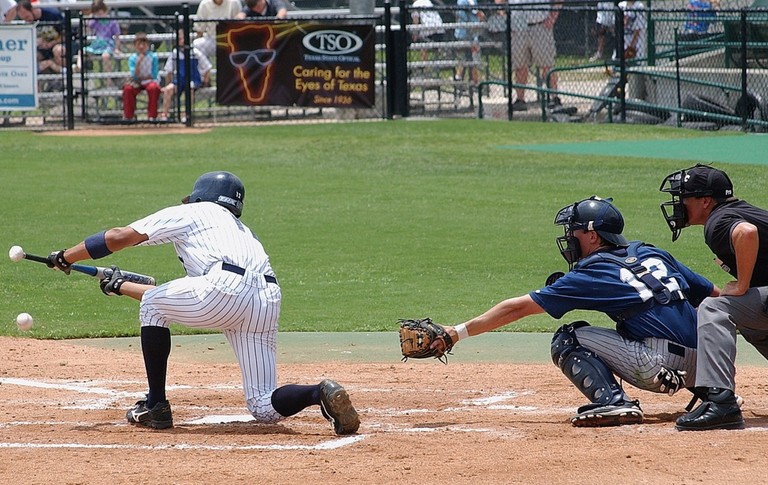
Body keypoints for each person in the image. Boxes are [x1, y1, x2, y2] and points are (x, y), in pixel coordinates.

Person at [45, 171, 361, 435]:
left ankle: (156, 405)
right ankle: (317, 392)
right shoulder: (239, 231)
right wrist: (122, 287)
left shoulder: (192, 211)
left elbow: (117, 237)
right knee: (263, 407)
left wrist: (65, 256)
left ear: (201, 195)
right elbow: (198, 294)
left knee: (154, 306)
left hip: (223, 290)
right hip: (266, 300)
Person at [429, 196, 718, 427]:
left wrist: (456, 332)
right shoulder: (652, 253)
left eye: (574, 231)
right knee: (643, 319)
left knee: (569, 337)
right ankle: (715, 396)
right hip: (707, 368)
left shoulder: (594, 270)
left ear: (592, 235)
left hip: (657, 367)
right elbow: (714, 297)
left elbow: (517, 309)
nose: (569, 238)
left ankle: (615, 401)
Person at [659, 164, 768, 431]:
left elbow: (746, 233)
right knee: (752, 324)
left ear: (705, 201)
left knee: (715, 308)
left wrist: (742, 285)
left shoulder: (718, 222)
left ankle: (721, 403)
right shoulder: (742, 210)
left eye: (684, 197)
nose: (679, 203)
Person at [506, 0, 561, 111]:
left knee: (547, 65)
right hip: (517, 28)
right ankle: (520, 100)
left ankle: (554, 98)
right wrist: (504, 15)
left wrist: (552, 18)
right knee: (520, 66)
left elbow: (558, 1)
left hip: (540, 25)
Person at [159, 29, 212, 121]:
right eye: (180, 39)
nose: (182, 41)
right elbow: (169, 71)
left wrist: (205, 81)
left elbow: (207, 67)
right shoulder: (175, 53)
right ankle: (164, 115)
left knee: (190, 88)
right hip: (179, 80)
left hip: (193, 79)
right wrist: (168, 83)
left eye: (184, 39)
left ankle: (186, 115)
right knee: (168, 90)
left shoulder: (195, 52)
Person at [15, 0, 66, 75]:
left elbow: (65, 35)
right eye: (23, 19)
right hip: (42, 48)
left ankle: (66, 76)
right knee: (31, 55)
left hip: (59, 43)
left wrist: (50, 44)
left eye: (27, 17)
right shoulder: (27, 22)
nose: (26, 20)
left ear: (32, 10)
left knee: (58, 51)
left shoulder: (52, 14)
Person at [122, 32, 161, 122]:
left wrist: (144, 78)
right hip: (137, 81)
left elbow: (154, 74)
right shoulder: (133, 58)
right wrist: (138, 63)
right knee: (128, 89)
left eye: (144, 44)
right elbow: (135, 75)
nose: (141, 47)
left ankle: (152, 116)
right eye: (139, 44)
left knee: (153, 88)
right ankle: (129, 116)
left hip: (150, 81)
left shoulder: (153, 56)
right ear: (135, 46)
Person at [82, 0, 121, 79]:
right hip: (97, 44)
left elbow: (117, 37)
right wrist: (90, 18)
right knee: (82, 52)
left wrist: (116, 48)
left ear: (105, 11)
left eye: (100, 13)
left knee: (105, 56)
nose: (99, 16)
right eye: (96, 14)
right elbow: (87, 29)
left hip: (108, 44)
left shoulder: (112, 22)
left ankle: (109, 80)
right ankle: (79, 68)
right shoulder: (95, 21)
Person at [453, 0, 485, 85]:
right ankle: (475, 82)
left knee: (466, 57)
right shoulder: (467, 1)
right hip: (469, 34)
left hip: (464, 33)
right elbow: (477, 13)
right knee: (473, 56)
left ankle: (459, 78)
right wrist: (481, 16)